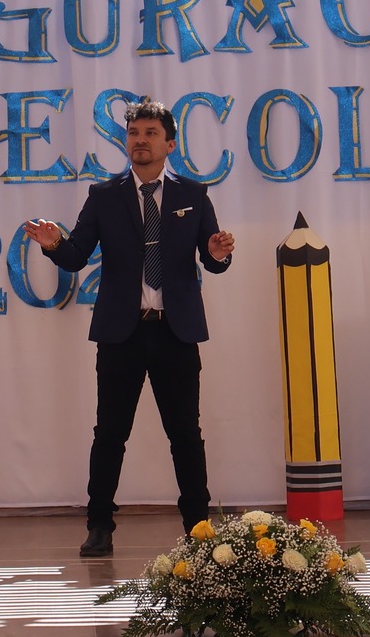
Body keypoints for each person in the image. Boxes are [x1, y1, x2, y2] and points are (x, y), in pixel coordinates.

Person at [23, 99, 235, 557]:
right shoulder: (104, 196)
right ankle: (99, 527)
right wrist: (54, 244)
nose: (140, 140)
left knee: (185, 435)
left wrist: (218, 253)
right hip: (122, 333)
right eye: (134, 133)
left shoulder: (194, 196)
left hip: (176, 332)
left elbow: (213, 259)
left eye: (150, 133)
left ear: (170, 143)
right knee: (110, 434)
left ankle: (198, 529)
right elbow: (77, 254)